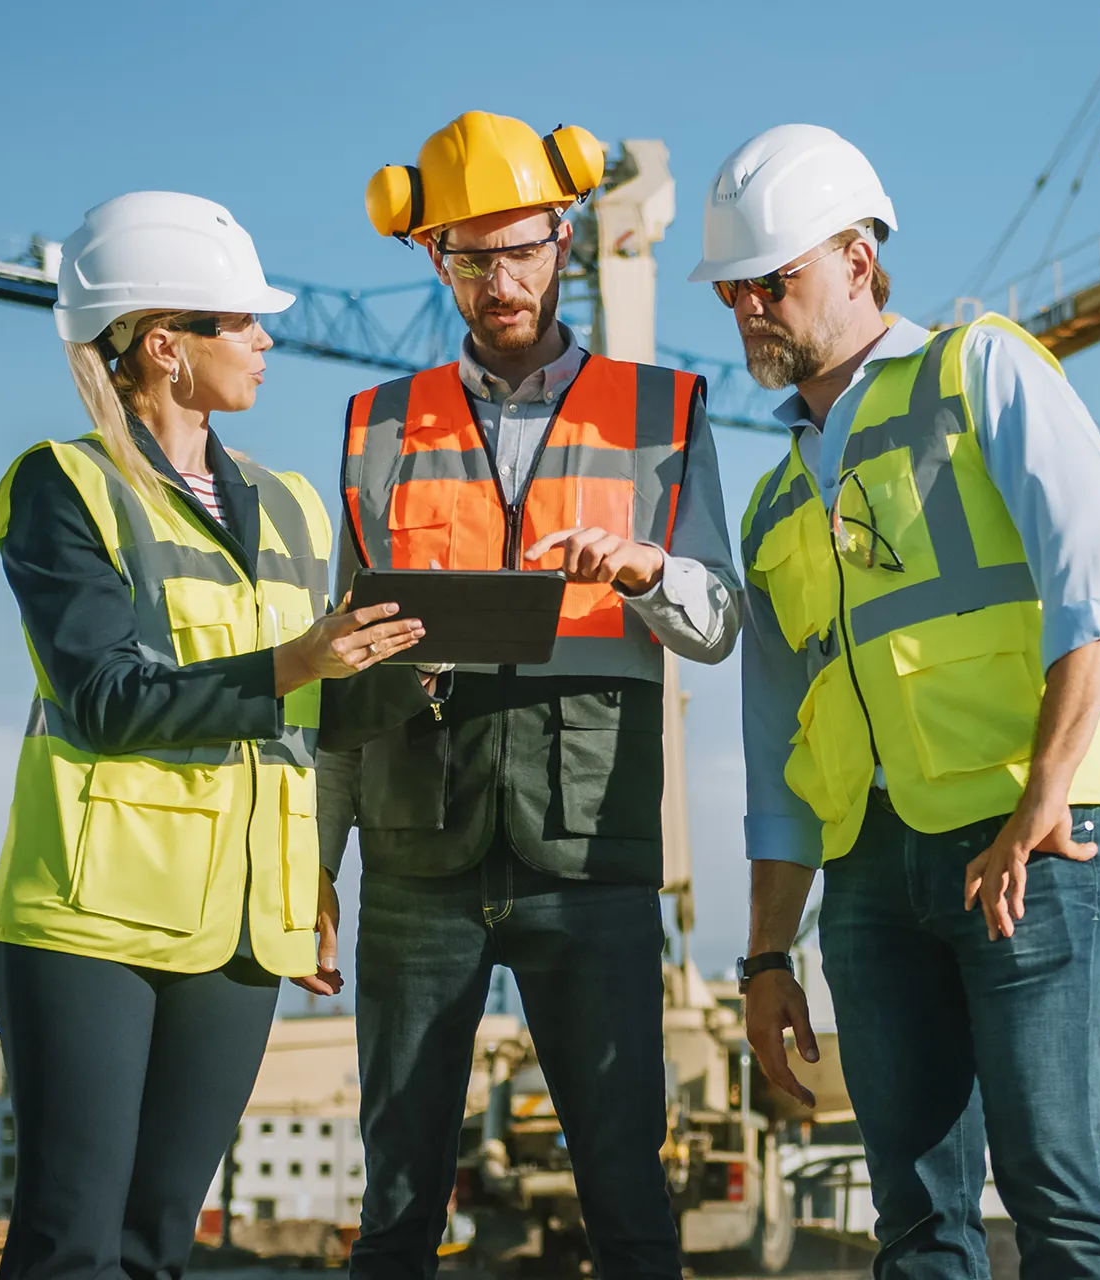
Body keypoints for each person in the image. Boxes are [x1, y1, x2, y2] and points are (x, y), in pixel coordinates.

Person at [691, 123, 1100, 1277]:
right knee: (912, 1214)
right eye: (733, 290)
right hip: (870, 879)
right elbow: (780, 751)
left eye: (771, 280)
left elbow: (1092, 593)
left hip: (1029, 847)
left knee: (1056, 1189)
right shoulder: (776, 497)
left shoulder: (979, 371)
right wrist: (761, 958)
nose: (748, 308)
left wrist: (1038, 801)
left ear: (855, 255)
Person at [312, 111, 743, 1279]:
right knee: (396, 1195)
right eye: (468, 257)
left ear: (562, 241)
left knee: (625, 1191)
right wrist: (313, 866)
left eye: (518, 250)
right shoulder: (375, 426)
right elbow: (339, 681)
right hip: (413, 852)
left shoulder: (665, 411)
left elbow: (715, 626)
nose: (497, 281)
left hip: (588, 847)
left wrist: (650, 572)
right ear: (433, 259)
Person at [0, 191, 427, 1280]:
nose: (267, 338)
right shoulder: (63, 484)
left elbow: (309, 722)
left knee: (156, 1247)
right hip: (93, 922)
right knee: (69, 1244)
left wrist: (315, 870)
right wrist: (296, 663)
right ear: (166, 346)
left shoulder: (290, 508)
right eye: (242, 322)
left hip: (244, 930)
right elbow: (104, 694)